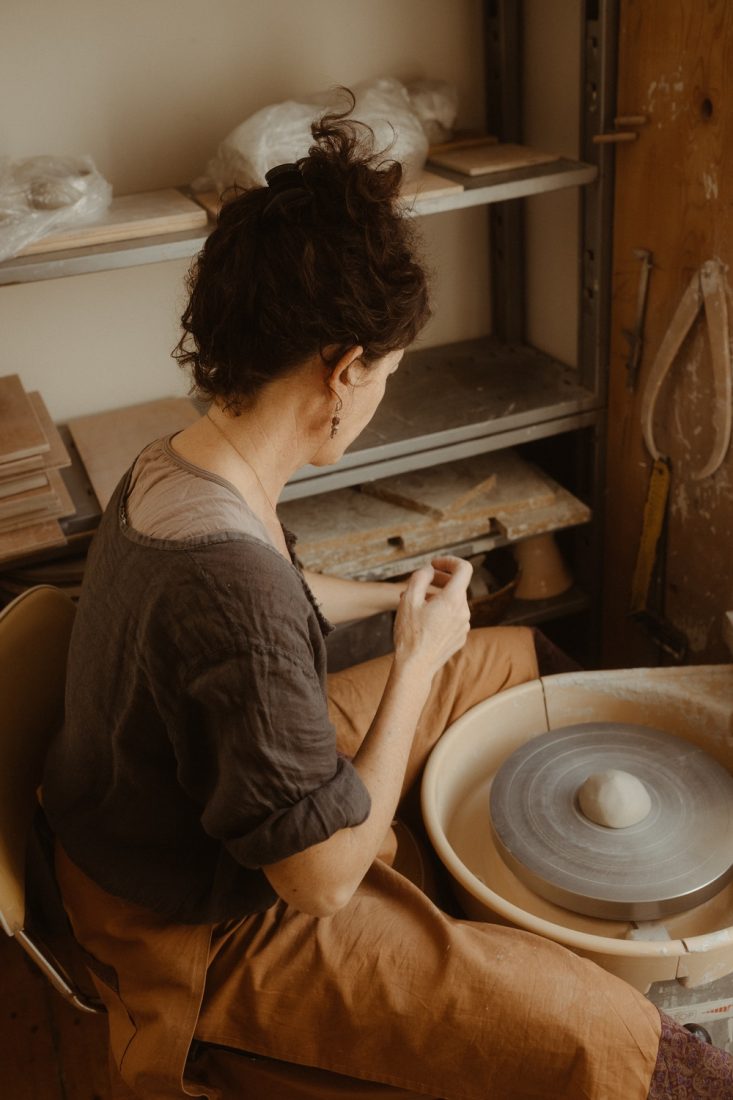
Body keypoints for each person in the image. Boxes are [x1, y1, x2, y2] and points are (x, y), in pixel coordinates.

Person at [42, 101, 733, 1099]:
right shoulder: (229, 589)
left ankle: (474, 881)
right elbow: (318, 883)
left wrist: (398, 599)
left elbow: (275, 593)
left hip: (170, 786)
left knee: (505, 659)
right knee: (608, 1039)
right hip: (202, 917)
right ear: (342, 371)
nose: (378, 398)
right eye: (388, 375)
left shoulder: (179, 461)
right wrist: (412, 660)